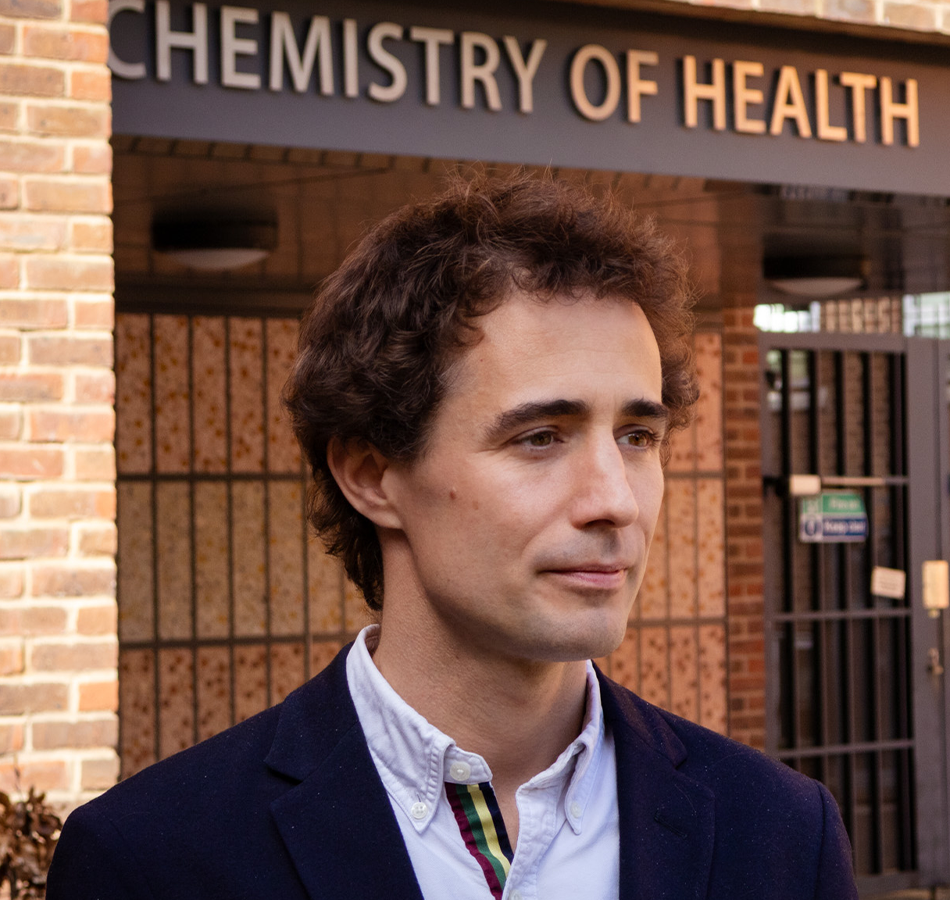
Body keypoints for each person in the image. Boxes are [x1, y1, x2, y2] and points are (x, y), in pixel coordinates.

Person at [47, 176, 858, 900]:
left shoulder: (784, 835)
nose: (616, 501)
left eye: (639, 437)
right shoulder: (153, 861)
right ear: (372, 474)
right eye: (541, 436)